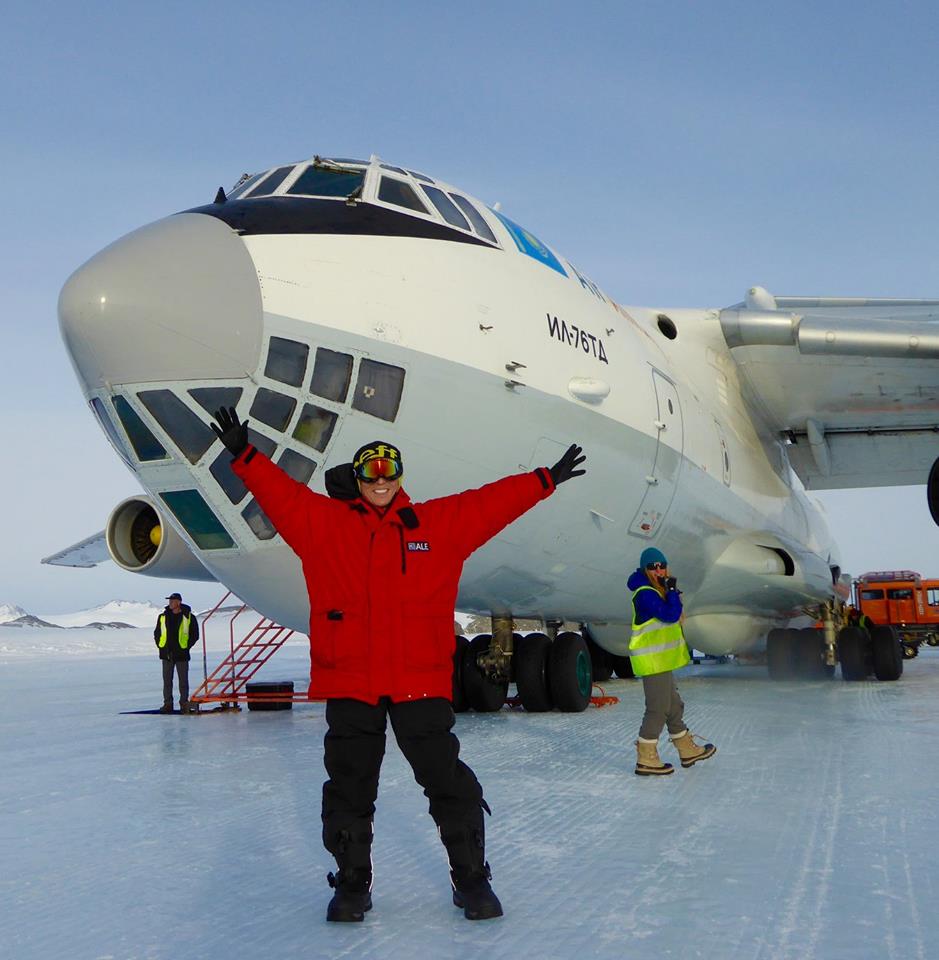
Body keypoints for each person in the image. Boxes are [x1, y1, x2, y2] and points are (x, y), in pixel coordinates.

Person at [209, 407, 586, 923]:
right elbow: (282, 496)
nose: (380, 480)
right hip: (352, 684)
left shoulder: (435, 525)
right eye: (371, 472)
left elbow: (489, 504)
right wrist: (245, 455)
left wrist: (544, 480)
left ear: (400, 477)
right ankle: (352, 885)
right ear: (359, 479)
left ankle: (471, 878)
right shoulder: (324, 525)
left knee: (447, 783)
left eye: (389, 471)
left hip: (420, 684)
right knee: (349, 786)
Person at [627, 547, 715, 776]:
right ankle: (646, 757)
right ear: (645, 570)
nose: (658, 570)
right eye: (653, 567)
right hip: (652, 662)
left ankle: (686, 749)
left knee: (674, 705)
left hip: (661, 662)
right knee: (657, 709)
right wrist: (673, 592)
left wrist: (669, 592)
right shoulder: (645, 592)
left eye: (661, 565)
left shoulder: (657, 591)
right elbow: (669, 614)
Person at [154, 592, 200, 714]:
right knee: (167, 681)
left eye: (172, 601)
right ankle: (167, 704)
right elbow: (157, 633)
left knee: (183, 681)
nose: (170, 603)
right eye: (169, 601)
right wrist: (161, 646)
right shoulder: (162, 617)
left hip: (181, 655)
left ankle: (184, 703)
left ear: (178, 602)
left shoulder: (189, 617)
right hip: (167, 654)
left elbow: (194, 635)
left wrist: (185, 647)